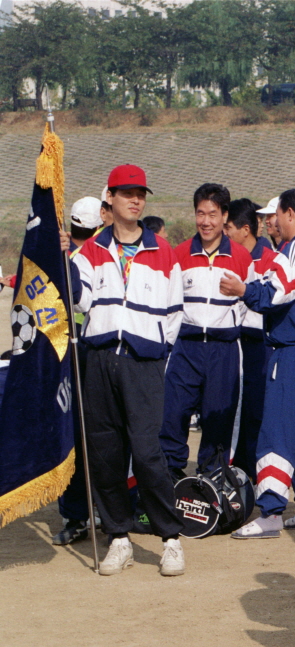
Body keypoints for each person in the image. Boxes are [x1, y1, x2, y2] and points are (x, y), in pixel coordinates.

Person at [69, 164, 187, 576]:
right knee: (105, 452)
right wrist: (59, 258)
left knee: (148, 452)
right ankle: (119, 535)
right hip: (98, 359)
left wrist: (156, 353)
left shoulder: (163, 250)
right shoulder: (90, 252)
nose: (136, 200)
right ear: (110, 201)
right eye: (127, 193)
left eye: (141, 193)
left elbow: (174, 313)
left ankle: (170, 538)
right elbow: (78, 300)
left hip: (144, 362)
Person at [220, 189, 295, 538]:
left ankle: (271, 511)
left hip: (293, 352)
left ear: (290, 213)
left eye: (274, 216)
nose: (271, 223)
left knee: (276, 430)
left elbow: (275, 292)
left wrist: (243, 290)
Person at [159, 184, 253, 481]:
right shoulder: (178, 254)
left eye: (213, 214)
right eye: (201, 213)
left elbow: (248, 307)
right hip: (185, 348)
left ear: (225, 216)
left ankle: (212, 486)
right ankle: (168, 486)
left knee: (218, 424)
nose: (206, 221)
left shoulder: (241, 257)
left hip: (223, 350)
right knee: (172, 418)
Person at [53, 196, 105, 546]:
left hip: (95, 353)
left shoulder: (103, 254)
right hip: (77, 355)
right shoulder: (68, 258)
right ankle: (79, 513)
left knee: (97, 435)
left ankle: (96, 510)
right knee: (82, 434)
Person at [224, 198, 279, 480]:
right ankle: (228, 468)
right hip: (231, 341)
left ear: (245, 230)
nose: (224, 232)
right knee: (229, 406)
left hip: (259, 344)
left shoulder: (270, 260)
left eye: (228, 227)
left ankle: (251, 471)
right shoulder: (225, 255)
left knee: (256, 411)